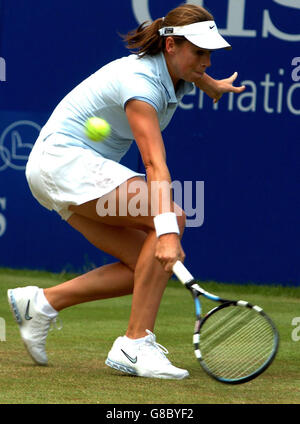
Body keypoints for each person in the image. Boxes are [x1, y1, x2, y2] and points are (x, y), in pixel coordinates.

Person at [7, 4, 245, 380]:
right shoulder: (140, 84)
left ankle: (42, 303)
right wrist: (168, 232)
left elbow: (190, 70)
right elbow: (154, 164)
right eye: (199, 52)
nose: (207, 60)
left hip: (55, 171)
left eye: (210, 53)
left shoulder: (170, 68)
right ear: (172, 47)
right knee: (172, 218)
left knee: (145, 264)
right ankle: (135, 343)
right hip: (65, 163)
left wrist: (209, 83)